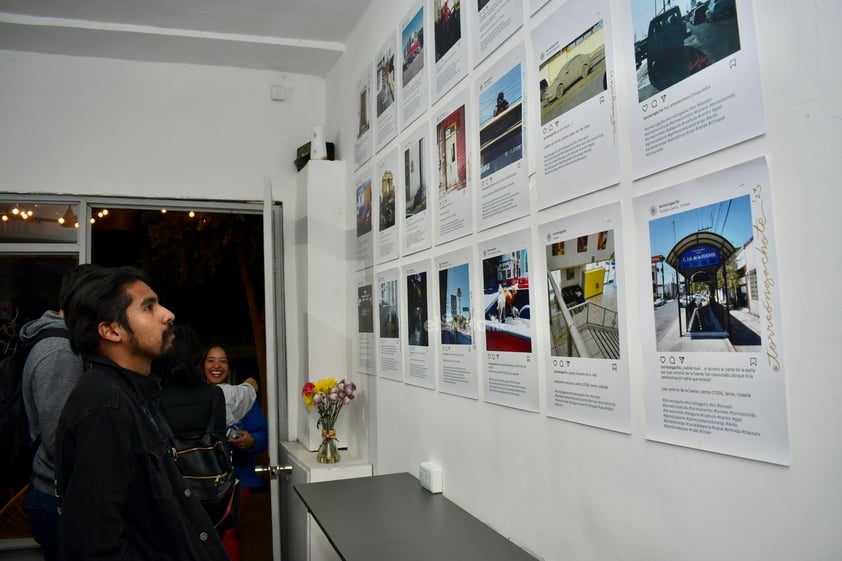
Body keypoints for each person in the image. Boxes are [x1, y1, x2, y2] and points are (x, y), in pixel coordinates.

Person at [55, 266, 228, 560]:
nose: (168, 314)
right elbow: (94, 546)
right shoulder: (105, 408)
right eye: (149, 307)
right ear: (111, 330)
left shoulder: (133, 395)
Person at [19, 264, 100, 561]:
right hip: (58, 500)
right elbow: (60, 440)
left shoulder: (67, 343)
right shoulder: (61, 352)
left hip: (60, 496)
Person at [203, 344, 268, 561]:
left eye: (223, 361)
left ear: (230, 367)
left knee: (228, 534)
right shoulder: (193, 400)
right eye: (211, 360)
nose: (216, 366)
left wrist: (251, 441)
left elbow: (263, 435)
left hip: (238, 480)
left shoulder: (244, 399)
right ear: (202, 365)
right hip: (200, 481)